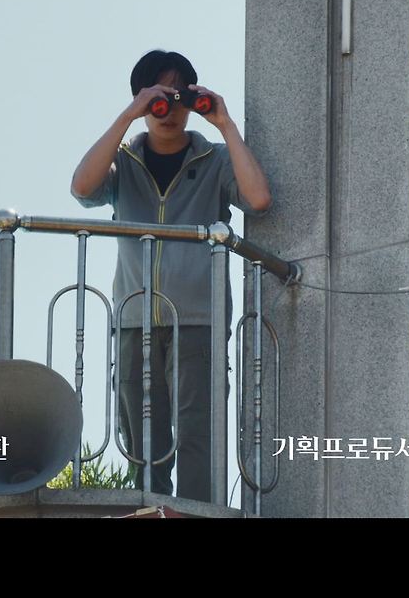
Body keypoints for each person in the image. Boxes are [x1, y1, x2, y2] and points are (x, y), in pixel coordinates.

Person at [70, 49, 272, 502]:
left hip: (198, 321)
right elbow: (82, 188)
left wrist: (225, 124)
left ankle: (198, 512)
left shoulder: (214, 160)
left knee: (199, 432)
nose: (171, 109)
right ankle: (151, 509)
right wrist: (128, 115)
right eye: (160, 97)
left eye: (180, 96)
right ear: (143, 100)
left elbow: (258, 199)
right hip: (134, 321)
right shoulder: (124, 162)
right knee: (143, 441)